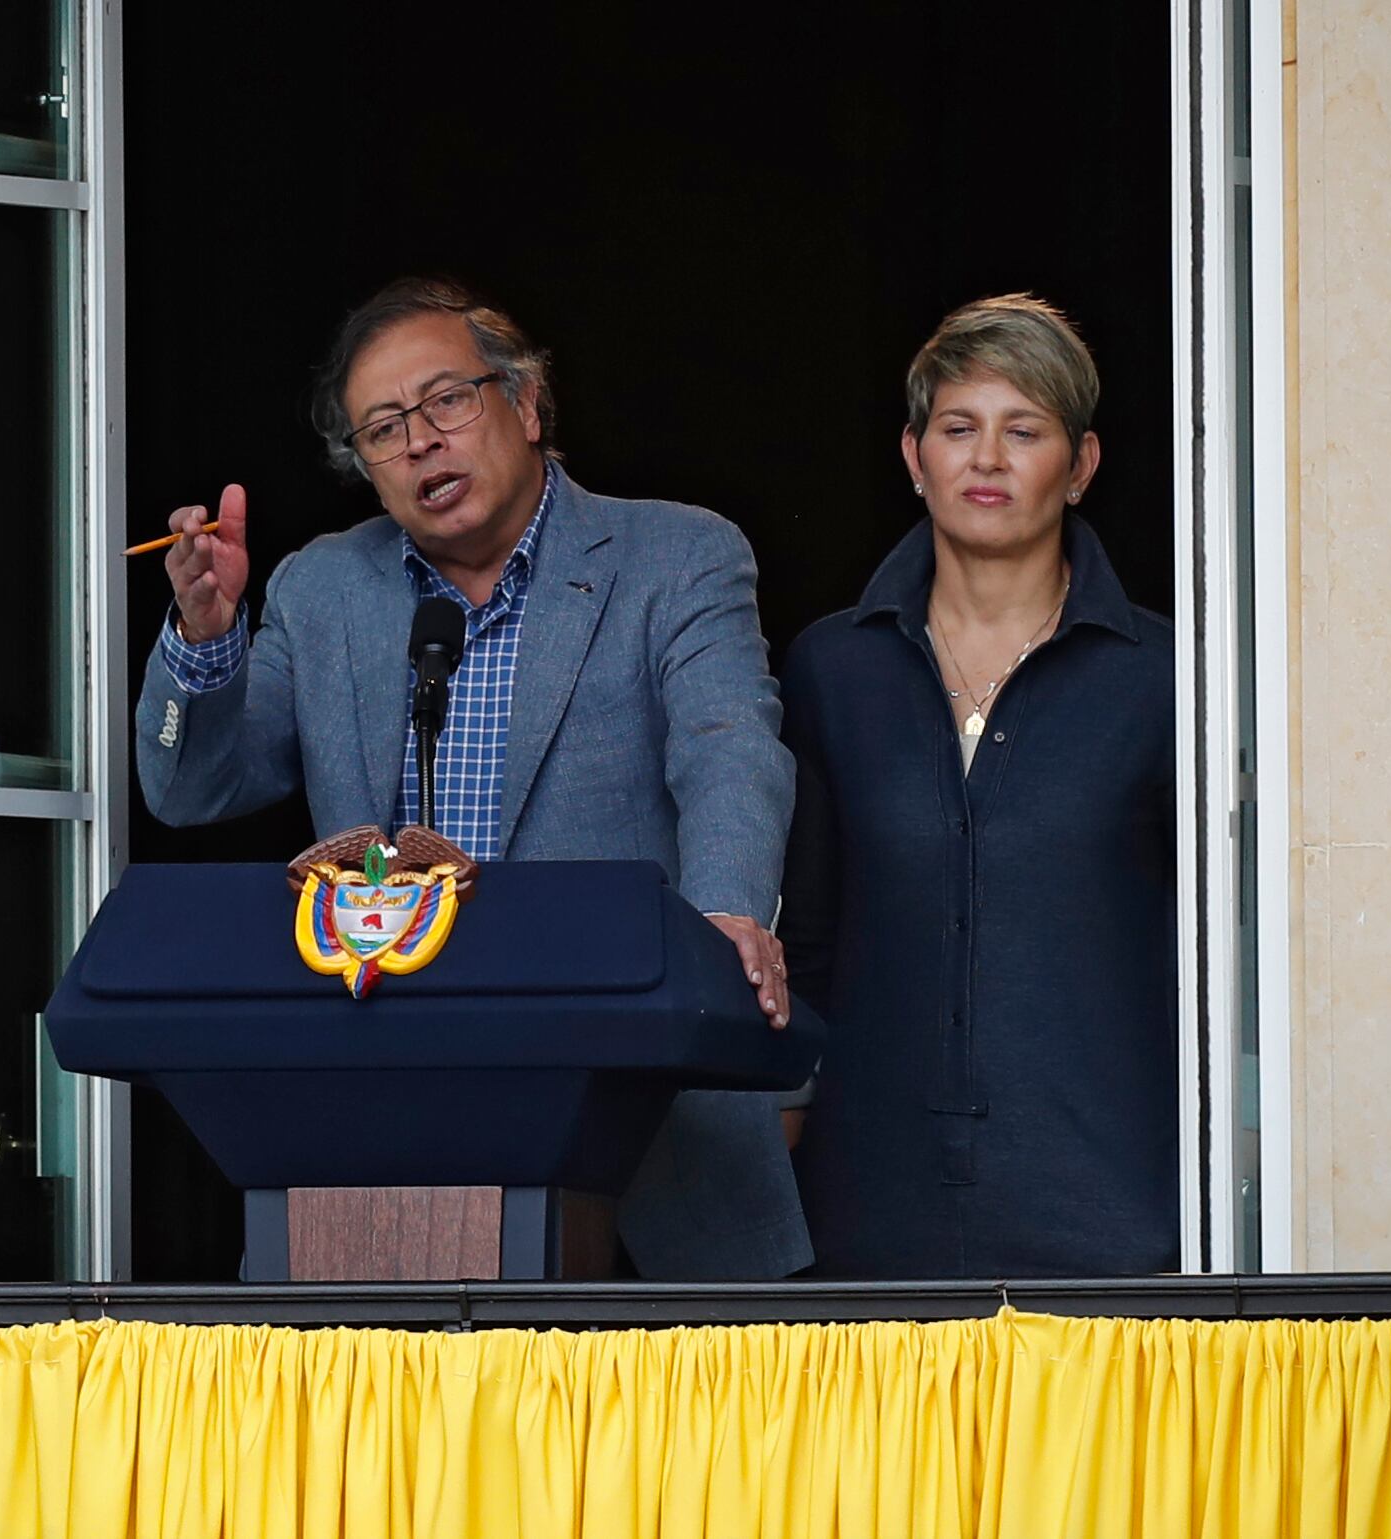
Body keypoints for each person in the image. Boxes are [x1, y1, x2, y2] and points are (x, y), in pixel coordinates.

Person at [134, 277, 809, 1280]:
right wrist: (204, 642)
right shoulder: (321, 590)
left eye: (447, 401)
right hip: (395, 1149)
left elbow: (729, 752)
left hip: (652, 1128)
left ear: (527, 405)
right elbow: (193, 790)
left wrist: (722, 922)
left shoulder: (675, 556)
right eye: (382, 428)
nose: (420, 442)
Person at [780, 294, 1177, 1278]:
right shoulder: (833, 669)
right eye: (958, 429)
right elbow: (808, 948)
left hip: (1110, 1212)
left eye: (1024, 430)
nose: (986, 459)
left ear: (1079, 467)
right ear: (913, 458)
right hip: (868, 1214)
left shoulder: (1171, 678)